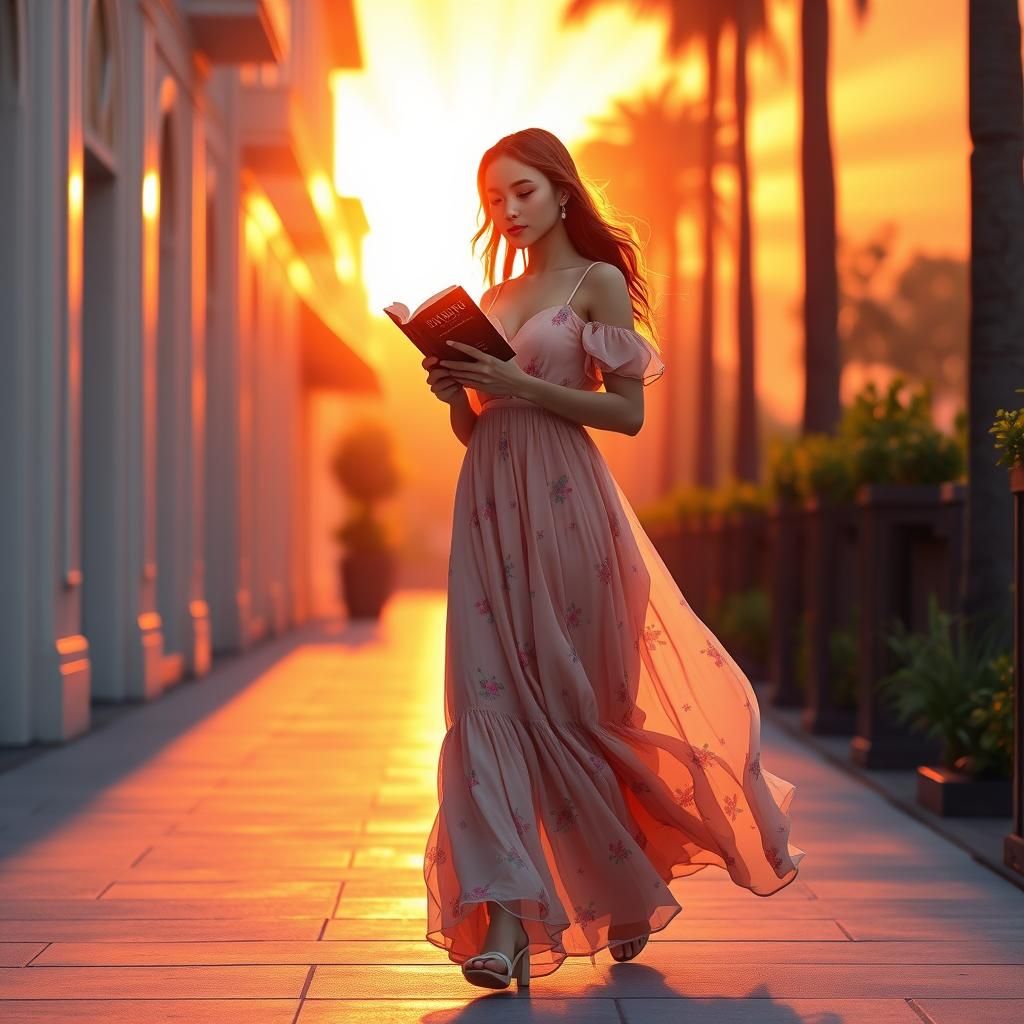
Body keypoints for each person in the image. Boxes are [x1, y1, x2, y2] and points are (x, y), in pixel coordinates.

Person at [420, 128, 804, 991]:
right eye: (493, 199)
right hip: (487, 507)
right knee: (488, 706)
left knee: (582, 700)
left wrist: (516, 383)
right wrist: (458, 394)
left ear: (561, 192)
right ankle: (509, 928)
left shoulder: (595, 285)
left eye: (521, 191)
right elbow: (480, 424)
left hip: (566, 511)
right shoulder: (493, 293)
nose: (508, 210)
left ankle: (626, 881)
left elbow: (625, 414)